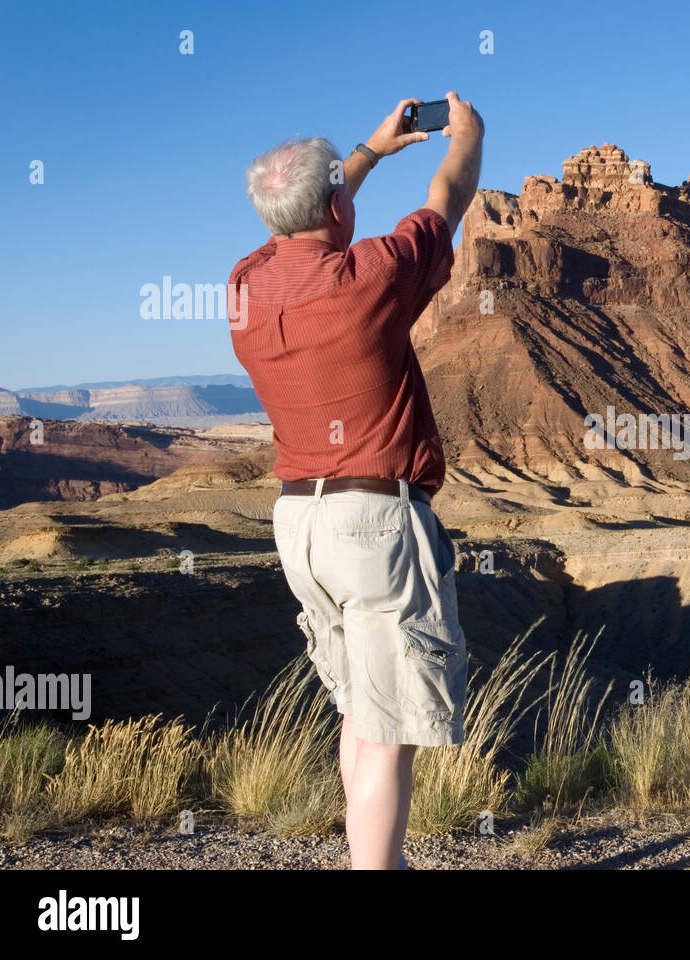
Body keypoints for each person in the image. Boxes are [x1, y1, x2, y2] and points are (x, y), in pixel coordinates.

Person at [229, 93, 484, 869]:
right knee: (389, 732)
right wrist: (465, 139)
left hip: (298, 525)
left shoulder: (245, 288)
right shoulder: (373, 274)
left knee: (357, 709)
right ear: (338, 204)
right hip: (374, 523)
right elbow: (450, 199)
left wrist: (364, 156)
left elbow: (294, 229)